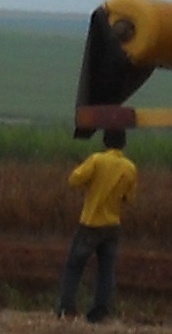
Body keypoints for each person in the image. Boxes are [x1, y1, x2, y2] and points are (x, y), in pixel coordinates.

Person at [60, 126, 140, 321]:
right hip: (112, 225)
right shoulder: (130, 168)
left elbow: (74, 180)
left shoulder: (97, 160)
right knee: (106, 271)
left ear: (105, 142)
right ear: (124, 143)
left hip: (90, 223)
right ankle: (100, 313)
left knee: (74, 267)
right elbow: (130, 198)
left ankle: (67, 310)